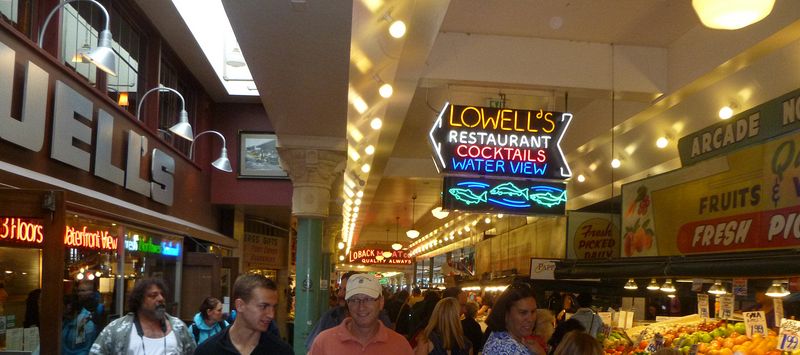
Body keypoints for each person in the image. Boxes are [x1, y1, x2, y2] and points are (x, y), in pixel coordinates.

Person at [308, 273, 413, 355]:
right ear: (347, 304)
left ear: (381, 302)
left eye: (368, 299)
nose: (361, 306)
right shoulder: (324, 342)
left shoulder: (400, 345)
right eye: (354, 300)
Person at [90, 278, 195, 354]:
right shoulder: (116, 329)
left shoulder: (179, 327)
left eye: (162, 294)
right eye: (153, 295)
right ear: (139, 301)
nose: (160, 298)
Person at [195, 274, 293, 354]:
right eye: (263, 306)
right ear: (240, 305)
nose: (271, 315)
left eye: (273, 307)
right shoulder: (208, 351)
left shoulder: (281, 351)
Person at [483, 282, 545, 355]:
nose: (530, 319)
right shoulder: (507, 349)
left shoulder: (500, 336)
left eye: (533, 311)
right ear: (505, 313)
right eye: (523, 312)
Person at [64, 280, 106, 355]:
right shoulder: (78, 305)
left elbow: (79, 346)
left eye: (83, 291)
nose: (80, 293)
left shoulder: (96, 308)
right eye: (79, 291)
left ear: (92, 292)